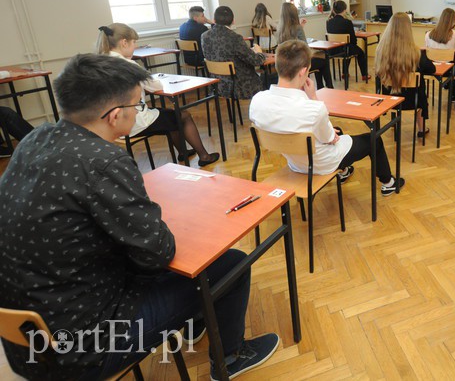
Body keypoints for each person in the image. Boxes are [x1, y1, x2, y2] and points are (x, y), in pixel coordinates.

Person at [0, 54, 279, 380]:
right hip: (86, 349)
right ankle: (230, 358)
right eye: (138, 106)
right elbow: (157, 254)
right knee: (228, 263)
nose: (139, 112)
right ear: (116, 115)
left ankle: (194, 322)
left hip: (26, 342)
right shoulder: (103, 161)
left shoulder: (35, 139)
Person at [249, 40, 404, 196]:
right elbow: (331, 138)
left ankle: (344, 172)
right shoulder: (314, 108)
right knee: (374, 140)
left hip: (295, 162)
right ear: (303, 72)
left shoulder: (257, 101)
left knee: (338, 131)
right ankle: (389, 183)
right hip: (322, 164)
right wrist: (313, 97)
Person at [97, 23, 219, 166]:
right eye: (134, 42)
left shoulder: (99, 63)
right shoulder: (128, 65)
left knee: (170, 116)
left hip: (110, 123)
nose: (135, 46)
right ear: (124, 42)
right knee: (183, 116)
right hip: (133, 122)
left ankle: (183, 152)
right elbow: (156, 86)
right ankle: (204, 156)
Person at [376, 12, 435, 137]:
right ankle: (421, 128)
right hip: (412, 101)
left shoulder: (380, 51)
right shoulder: (417, 53)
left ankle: (394, 122)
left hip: (389, 99)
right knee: (420, 83)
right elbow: (432, 69)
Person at [202, 5, 269, 100]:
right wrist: (259, 52)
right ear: (233, 21)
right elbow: (256, 61)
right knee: (267, 79)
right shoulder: (235, 38)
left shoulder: (204, 37)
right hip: (240, 84)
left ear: (214, 20)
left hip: (218, 84)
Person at [276, 2, 334, 89]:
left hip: (287, 64)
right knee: (323, 58)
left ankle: (321, 86)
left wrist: (301, 27)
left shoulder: (280, 29)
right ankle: (328, 87)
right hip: (299, 64)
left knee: (319, 60)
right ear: (294, 14)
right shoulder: (297, 28)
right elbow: (305, 49)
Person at [426, 7, 455, 85]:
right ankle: (450, 88)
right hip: (448, 70)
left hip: (432, 68)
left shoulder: (428, 34)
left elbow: (427, 50)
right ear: (453, 21)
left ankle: (446, 84)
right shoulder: (454, 34)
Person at [326, 0, 370, 81]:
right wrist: (355, 44)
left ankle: (344, 73)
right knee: (359, 52)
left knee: (347, 47)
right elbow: (352, 39)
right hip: (345, 49)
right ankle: (364, 75)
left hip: (333, 50)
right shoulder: (347, 22)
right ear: (345, 10)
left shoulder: (328, 22)